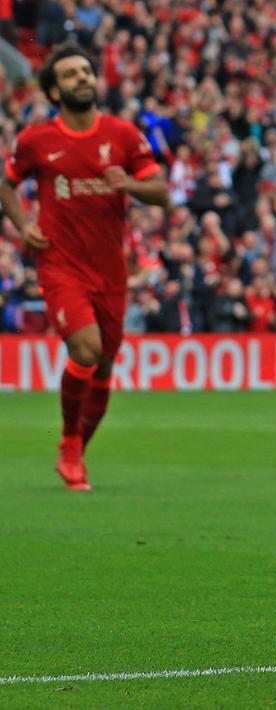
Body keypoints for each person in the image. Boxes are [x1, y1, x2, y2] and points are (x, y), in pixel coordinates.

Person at [0, 43, 169, 490]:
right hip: (60, 264)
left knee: (105, 366)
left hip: (110, 269)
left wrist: (128, 183)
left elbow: (162, 193)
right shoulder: (36, 140)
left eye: (87, 71)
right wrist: (23, 225)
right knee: (87, 350)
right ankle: (70, 443)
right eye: (72, 74)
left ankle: (77, 446)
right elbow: (7, 186)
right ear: (55, 91)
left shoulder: (123, 134)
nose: (83, 78)